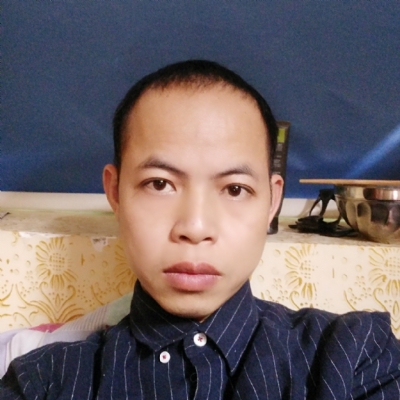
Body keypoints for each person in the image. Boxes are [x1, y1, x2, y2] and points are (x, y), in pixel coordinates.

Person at [1, 60, 399, 399]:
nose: (195, 228)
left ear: (272, 202)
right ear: (115, 192)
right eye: (159, 184)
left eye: (235, 189)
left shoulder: (354, 356)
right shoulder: (43, 381)